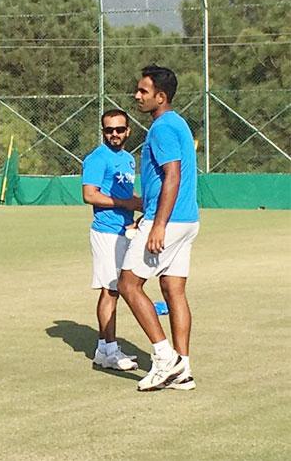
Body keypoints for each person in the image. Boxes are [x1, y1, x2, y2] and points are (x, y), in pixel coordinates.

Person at [117, 65, 200, 392]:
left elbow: (172, 176)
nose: (137, 96)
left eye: (143, 91)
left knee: (128, 284)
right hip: (186, 220)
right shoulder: (176, 122)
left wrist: (157, 225)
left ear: (160, 97)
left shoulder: (163, 127)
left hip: (170, 221)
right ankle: (184, 368)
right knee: (173, 290)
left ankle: (165, 360)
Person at [82, 109, 141, 371]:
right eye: (109, 130)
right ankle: (108, 350)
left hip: (124, 231)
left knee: (118, 289)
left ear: (128, 130)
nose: (114, 134)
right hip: (105, 232)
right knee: (111, 289)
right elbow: (90, 195)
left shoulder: (128, 159)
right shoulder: (97, 158)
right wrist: (125, 203)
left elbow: (125, 193)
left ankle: (106, 349)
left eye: (119, 129)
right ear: (103, 131)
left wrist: (139, 206)